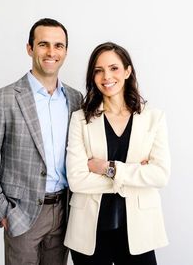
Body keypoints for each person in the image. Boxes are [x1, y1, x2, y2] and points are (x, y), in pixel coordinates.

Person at [0, 18, 82, 265]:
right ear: (30, 48)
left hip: (64, 211)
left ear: (65, 51)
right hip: (22, 214)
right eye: (43, 44)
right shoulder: (3, 99)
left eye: (58, 45)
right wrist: (3, 212)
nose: (51, 52)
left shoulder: (75, 99)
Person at [64, 42, 170, 265]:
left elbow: (160, 175)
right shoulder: (80, 119)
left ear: (127, 71)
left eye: (114, 68)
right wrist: (136, 174)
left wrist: (107, 168)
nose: (106, 76)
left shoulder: (153, 118)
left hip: (138, 230)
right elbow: (76, 180)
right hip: (89, 231)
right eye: (98, 70)